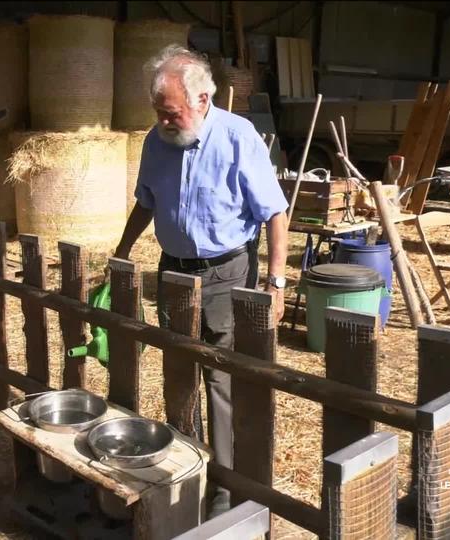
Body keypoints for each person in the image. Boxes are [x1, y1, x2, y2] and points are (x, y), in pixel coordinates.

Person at [112, 45, 289, 518]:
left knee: (219, 378)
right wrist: (123, 250)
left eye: (170, 112)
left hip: (226, 271)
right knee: (178, 373)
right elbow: (147, 201)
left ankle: (226, 491)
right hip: (173, 270)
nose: (164, 121)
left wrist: (276, 282)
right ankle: (187, 469)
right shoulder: (156, 141)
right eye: (159, 112)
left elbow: (274, 211)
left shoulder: (239, 138)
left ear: (203, 99)